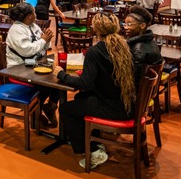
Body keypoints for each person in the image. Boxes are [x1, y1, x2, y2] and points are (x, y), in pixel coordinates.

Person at [53, 13, 136, 169]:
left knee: (65, 109)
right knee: (80, 99)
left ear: (96, 29)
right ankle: (94, 141)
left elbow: (85, 82)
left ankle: (89, 150)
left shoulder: (95, 51)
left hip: (112, 108)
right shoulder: (124, 45)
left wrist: (61, 74)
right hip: (128, 104)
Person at [5, 3, 60, 127]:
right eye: (34, 12)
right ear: (29, 16)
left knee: (59, 77)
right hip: (19, 67)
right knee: (46, 84)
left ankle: (51, 107)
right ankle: (35, 112)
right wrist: (43, 40)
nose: (36, 15)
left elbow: (43, 46)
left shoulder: (33, 26)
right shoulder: (16, 30)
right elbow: (27, 50)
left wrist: (47, 39)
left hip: (35, 63)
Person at [123, 5, 163, 85]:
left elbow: (135, 78)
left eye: (130, 24)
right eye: (125, 24)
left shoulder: (137, 49)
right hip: (148, 88)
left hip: (139, 92)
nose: (126, 27)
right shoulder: (150, 40)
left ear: (142, 26)